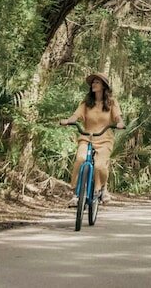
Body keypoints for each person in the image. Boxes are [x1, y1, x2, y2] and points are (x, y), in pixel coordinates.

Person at [59, 72, 125, 207]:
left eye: (97, 82)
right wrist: (68, 121)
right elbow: (76, 115)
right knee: (80, 159)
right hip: (86, 137)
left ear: (104, 86)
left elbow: (118, 118)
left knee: (100, 166)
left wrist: (120, 123)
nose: (94, 84)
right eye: (93, 82)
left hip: (105, 139)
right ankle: (76, 194)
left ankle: (102, 188)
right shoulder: (86, 102)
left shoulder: (111, 102)